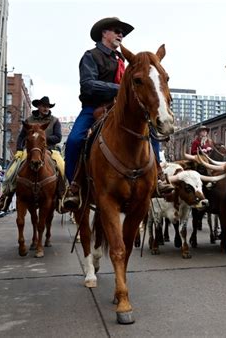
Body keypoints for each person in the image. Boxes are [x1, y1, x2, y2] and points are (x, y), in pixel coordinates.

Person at [62, 17, 173, 211]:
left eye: (122, 32)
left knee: (151, 132)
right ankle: (74, 187)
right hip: (93, 108)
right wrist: (119, 88)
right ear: (104, 33)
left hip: (119, 108)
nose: (120, 34)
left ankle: (158, 177)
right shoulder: (91, 56)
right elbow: (87, 85)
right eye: (116, 30)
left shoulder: (123, 60)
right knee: (73, 140)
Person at [0, 96, 64, 211]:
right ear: (38, 106)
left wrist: (42, 139)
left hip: (49, 149)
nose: (45, 108)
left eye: (47, 106)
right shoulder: (29, 120)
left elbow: (58, 137)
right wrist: (20, 150)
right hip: (30, 150)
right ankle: (6, 196)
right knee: (14, 167)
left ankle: (62, 196)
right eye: (43, 106)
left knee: (62, 166)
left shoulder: (54, 120)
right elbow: (21, 137)